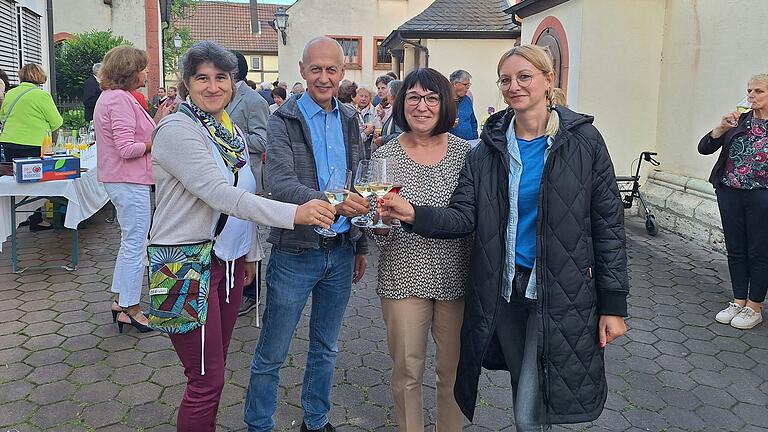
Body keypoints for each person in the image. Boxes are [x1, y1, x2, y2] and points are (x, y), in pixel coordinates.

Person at [381, 44, 629, 431]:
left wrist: (613, 305)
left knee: (530, 400)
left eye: (524, 77)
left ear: (549, 81)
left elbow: (609, 224)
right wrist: (412, 213)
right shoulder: (488, 151)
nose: (514, 86)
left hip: (560, 289)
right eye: (506, 80)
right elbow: (463, 216)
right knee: (522, 384)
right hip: (505, 290)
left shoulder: (583, 142)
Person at [151, 41, 336, 432]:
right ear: (186, 84)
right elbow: (222, 195)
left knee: (212, 375)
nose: (213, 86)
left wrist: (250, 251)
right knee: (205, 380)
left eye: (222, 77)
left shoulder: (222, 127)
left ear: (234, 84)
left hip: (228, 264)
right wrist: (295, 214)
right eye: (202, 78)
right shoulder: (176, 129)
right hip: (183, 269)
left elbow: (244, 189)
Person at [244, 36, 370, 432]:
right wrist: (335, 201)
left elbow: (362, 184)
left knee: (326, 348)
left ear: (342, 72)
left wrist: (361, 243)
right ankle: (259, 424)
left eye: (331, 69)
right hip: (296, 254)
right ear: (302, 71)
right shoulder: (282, 119)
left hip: (341, 251)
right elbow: (279, 183)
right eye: (315, 69)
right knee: (272, 352)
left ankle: (316, 421)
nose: (323, 77)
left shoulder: (350, 118)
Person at [370, 67, 470, 432]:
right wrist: (379, 223)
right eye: (413, 97)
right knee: (408, 372)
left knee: (453, 373)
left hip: (456, 278)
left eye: (432, 98)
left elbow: (470, 216)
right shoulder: (385, 155)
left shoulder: (467, 154)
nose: (422, 106)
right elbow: (375, 225)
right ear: (401, 103)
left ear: (445, 104)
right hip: (402, 277)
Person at [93, 46, 156, 333]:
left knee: (129, 240)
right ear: (129, 72)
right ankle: (131, 307)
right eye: (142, 68)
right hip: (129, 180)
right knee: (136, 244)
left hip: (124, 179)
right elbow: (127, 148)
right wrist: (156, 143)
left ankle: (121, 300)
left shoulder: (113, 98)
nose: (146, 72)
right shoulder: (119, 100)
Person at [699, 73, 768, 330]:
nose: (751, 95)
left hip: (762, 195)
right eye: (749, 90)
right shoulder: (739, 121)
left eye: (758, 91)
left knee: (760, 250)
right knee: (736, 249)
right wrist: (720, 129)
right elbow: (704, 148)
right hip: (730, 192)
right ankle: (739, 300)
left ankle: (755, 306)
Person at [226, 50, 271, 317]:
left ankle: (250, 294)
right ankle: (230, 287)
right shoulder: (219, 96)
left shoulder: (253, 101)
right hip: (221, 181)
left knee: (249, 235)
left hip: (246, 178)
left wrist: (228, 139)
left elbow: (264, 140)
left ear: (234, 72)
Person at [0, 64, 62, 230]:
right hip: (32, 143)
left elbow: (2, 116)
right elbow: (57, 121)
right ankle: (36, 220)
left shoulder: (11, 93)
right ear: (39, 76)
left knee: (15, 180)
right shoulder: (41, 95)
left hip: (9, 142)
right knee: (34, 182)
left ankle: (16, 218)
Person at [373, 79, 404, 152]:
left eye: (388, 92)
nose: (387, 95)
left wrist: (382, 139)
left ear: (394, 95)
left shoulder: (400, 112)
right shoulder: (396, 109)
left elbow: (400, 135)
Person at [449, 69, 478, 140]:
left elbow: (473, 121)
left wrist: (475, 138)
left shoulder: (467, 100)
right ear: (455, 84)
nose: (468, 88)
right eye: (465, 85)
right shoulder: (443, 101)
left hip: (470, 143)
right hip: (451, 145)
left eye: (469, 85)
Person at [356, 84, 375, 158]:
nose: (363, 99)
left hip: (370, 150)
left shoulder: (375, 111)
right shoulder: (352, 111)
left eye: (366, 96)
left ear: (370, 98)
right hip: (358, 151)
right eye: (361, 96)